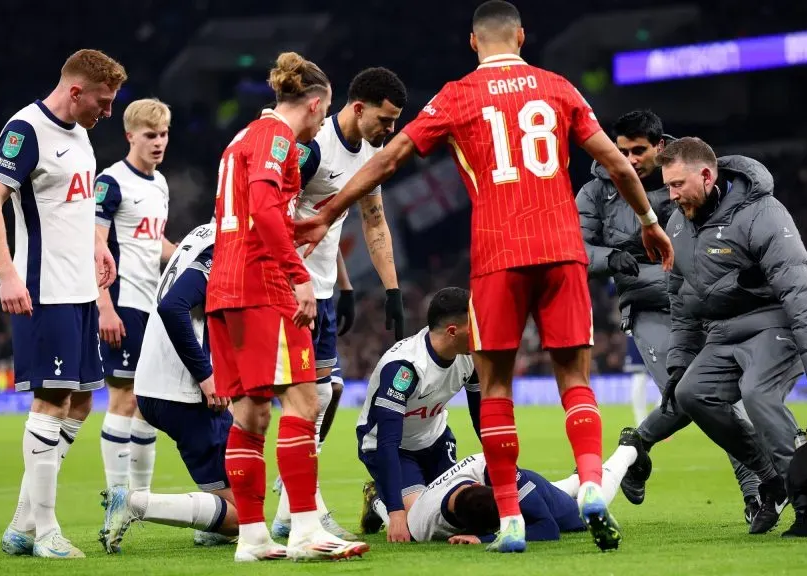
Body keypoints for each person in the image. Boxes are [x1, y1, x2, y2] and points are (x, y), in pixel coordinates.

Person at [295, 0, 672, 553]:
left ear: (474, 43)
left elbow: (389, 159)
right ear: (521, 36)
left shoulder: (456, 96)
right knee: (575, 379)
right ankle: (592, 483)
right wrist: (649, 222)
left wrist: (327, 211)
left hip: (498, 254)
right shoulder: (559, 87)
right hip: (561, 247)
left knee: (495, 387)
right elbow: (618, 164)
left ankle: (511, 521)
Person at [205, 52, 368, 562]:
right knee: (304, 404)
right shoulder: (279, 139)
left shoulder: (240, 140)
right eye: (325, 113)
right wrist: (298, 276)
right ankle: (303, 530)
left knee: (251, 414)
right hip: (263, 286)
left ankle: (253, 539)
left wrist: (308, 227)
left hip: (225, 289)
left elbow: (256, 214)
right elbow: (262, 207)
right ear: (317, 105)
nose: (322, 123)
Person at [657, 137, 807, 537]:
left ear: (707, 176)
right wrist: (679, 366)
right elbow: (680, 302)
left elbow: (801, 289)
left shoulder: (762, 213)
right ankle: (772, 480)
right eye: (668, 186)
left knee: (759, 395)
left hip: (773, 324)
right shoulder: (676, 225)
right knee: (692, 394)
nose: (671, 195)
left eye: (678, 184)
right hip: (722, 334)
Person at [576, 110, 762, 523]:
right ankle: (758, 490)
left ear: (659, 147)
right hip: (648, 308)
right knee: (689, 396)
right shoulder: (594, 193)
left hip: (705, 304)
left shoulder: (683, 177)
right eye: (622, 151)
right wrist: (612, 256)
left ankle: (635, 448)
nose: (628, 159)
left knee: (708, 397)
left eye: (638, 151)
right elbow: (575, 249)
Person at [0, 49, 127, 559]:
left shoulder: (82, 136)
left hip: (82, 288)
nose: (107, 113)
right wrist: (7, 276)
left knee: (82, 401)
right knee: (51, 402)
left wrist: (97, 246)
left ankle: (23, 521)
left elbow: (74, 208)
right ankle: (45, 531)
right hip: (43, 290)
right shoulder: (26, 130)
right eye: (103, 102)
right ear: (76, 91)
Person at [271, 67, 409, 541]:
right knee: (310, 395)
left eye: (395, 121)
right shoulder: (312, 149)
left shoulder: (372, 155)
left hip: (324, 288)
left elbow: (371, 222)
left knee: (328, 393)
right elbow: (281, 215)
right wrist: (296, 279)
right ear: (357, 108)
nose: (389, 129)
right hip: (292, 289)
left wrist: (385, 289)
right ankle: (297, 505)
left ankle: (293, 497)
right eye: (385, 119)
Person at [98, 222, 240, 554]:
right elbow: (173, 306)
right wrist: (206, 376)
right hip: (185, 392)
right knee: (245, 516)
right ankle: (133, 503)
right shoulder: (224, 245)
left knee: (230, 491)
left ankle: (212, 528)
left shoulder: (202, 232)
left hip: (153, 386)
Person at [94, 98, 177, 493]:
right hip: (123, 303)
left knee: (147, 401)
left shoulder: (159, 183)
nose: (158, 142)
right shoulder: (111, 182)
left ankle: (141, 499)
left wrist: (188, 255)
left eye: (163, 134)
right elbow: (93, 244)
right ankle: (116, 496)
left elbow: (153, 240)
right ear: (130, 136)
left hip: (153, 305)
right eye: (150, 135)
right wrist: (104, 306)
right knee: (123, 397)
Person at [355, 287, 481, 542]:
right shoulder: (405, 368)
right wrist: (396, 513)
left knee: (462, 509)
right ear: (452, 331)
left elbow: (482, 417)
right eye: (475, 324)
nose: (482, 331)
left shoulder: (471, 357)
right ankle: (378, 500)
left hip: (436, 441)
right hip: (392, 449)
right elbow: (387, 441)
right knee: (418, 527)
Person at [406, 453, 589, 545]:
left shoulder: (490, 465)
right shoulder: (420, 525)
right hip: (518, 488)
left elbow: (549, 528)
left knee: (581, 513)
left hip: (520, 481)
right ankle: (576, 479)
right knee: (557, 493)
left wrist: (486, 538)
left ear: (478, 483)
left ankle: (618, 453)